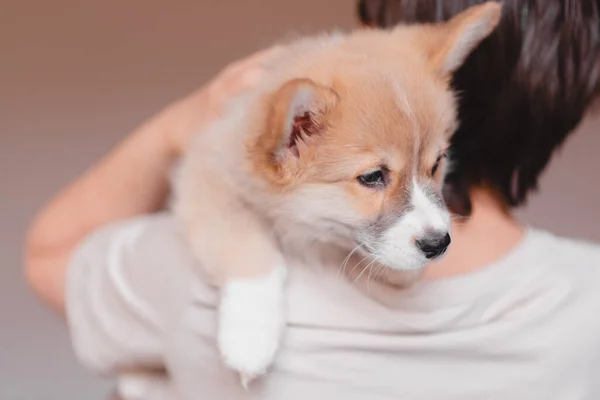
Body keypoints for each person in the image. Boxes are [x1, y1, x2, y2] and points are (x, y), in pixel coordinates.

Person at [25, 0, 600, 399]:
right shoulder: (585, 302)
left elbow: (49, 256)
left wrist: (179, 124)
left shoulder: (196, 288)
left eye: (433, 166)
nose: (432, 226)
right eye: (375, 178)